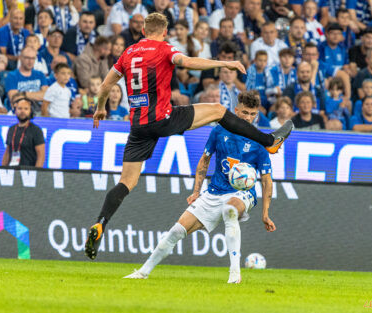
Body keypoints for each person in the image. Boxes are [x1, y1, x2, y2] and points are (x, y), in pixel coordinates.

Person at [83, 13, 293, 260]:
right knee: (218, 110)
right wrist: (222, 64)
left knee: (126, 182)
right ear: (164, 31)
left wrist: (99, 107)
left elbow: (106, 85)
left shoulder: (128, 52)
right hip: (163, 118)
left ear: (142, 29)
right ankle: (269, 142)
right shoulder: (163, 48)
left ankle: (101, 223)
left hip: (138, 125)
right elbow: (186, 62)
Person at [124, 90, 276, 283]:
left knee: (230, 210)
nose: (248, 117)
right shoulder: (220, 131)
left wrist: (265, 213)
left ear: (257, 115)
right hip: (214, 191)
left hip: (242, 192)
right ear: (236, 110)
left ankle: (235, 274)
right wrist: (196, 191)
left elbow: (266, 180)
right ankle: (142, 272)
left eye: (252, 114)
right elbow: (204, 161)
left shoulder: (260, 142)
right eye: (244, 112)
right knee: (177, 231)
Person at [1, 98, 45, 167]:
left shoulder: (36, 130)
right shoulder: (11, 129)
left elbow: (41, 156)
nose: (22, 111)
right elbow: (7, 152)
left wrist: (37, 173)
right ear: (15, 111)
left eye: (26, 109)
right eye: (20, 108)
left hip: (29, 171)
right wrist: (2, 169)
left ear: (31, 111)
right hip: (11, 171)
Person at [4, 46, 48, 111]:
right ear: (21, 58)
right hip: (21, 112)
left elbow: (47, 96)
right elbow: (14, 98)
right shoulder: (12, 76)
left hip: (39, 111)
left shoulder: (40, 75)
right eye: (27, 58)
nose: (30, 61)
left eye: (33, 58)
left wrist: (24, 94)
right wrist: (37, 95)